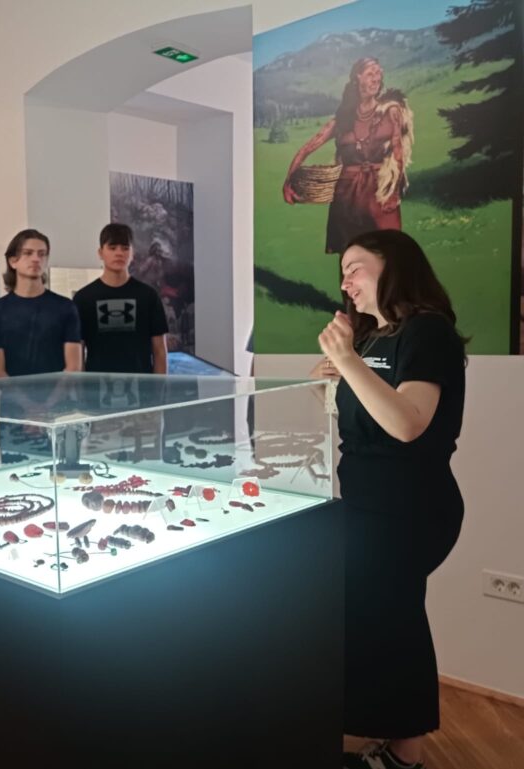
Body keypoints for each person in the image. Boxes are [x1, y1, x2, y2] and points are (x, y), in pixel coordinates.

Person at [311, 230, 465, 769]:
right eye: (343, 274)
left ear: (394, 265)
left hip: (410, 510)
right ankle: (392, 743)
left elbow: (407, 424)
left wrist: (347, 361)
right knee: (377, 619)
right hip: (367, 507)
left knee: (392, 623)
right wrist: (328, 377)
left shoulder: (428, 332)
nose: (346, 282)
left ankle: (399, 751)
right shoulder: (374, 338)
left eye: (355, 267)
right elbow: (362, 414)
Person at [283, 58, 413, 254]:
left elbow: (398, 152)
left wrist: (393, 193)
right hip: (346, 195)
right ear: (357, 78)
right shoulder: (342, 119)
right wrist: (288, 182)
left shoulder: (391, 112)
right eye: (370, 74)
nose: (376, 78)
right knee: (351, 255)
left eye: (378, 73)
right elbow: (307, 148)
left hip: (381, 193)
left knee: (390, 252)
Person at [72, 223, 168, 374]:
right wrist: (82, 387)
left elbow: (160, 351)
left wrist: (159, 387)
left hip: (141, 386)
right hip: (96, 386)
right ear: (100, 253)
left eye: (125, 248)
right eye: (112, 248)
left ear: (132, 254)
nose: (119, 253)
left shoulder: (148, 296)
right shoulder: (83, 299)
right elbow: (77, 354)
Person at [0, 229, 82, 378]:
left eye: (42, 254)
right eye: (28, 253)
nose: (36, 259)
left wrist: (53, 394)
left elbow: (73, 367)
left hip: (58, 392)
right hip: (11, 392)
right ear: (13, 261)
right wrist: (21, 395)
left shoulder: (66, 307)